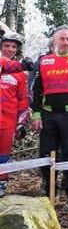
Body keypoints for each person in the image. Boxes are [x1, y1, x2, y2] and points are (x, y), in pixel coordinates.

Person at [31, 25, 68, 210]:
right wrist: (35, 114)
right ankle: (50, 190)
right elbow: (37, 90)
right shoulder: (44, 61)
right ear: (54, 41)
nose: (65, 42)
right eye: (62, 39)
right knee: (46, 153)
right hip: (48, 114)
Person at [0, 32, 29, 198]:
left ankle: (1, 184)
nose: (10, 49)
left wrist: (21, 123)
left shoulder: (20, 74)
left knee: (3, 154)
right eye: (6, 46)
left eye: (13, 47)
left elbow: (23, 100)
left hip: (8, 120)